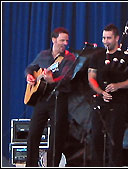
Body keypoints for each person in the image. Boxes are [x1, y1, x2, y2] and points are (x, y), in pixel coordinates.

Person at [88, 24, 128, 166]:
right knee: (96, 136)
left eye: (109, 38)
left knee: (115, 139)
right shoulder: (96, 56)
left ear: (117, 38)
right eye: (104, 38)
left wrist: (118, 86)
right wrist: (101, 92)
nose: (105, 41)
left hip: (119, 103)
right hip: (100, 102)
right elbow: (91, 77)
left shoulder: (126, 57)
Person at [25, 27, 76, 166]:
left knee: (56, 138)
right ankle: (31, 164)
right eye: (62, 40)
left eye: (66, 41)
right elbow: (31, 67)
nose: (65, 43)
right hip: (42, 98)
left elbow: (67, 77)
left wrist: (52, 81)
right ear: (53, 40)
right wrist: (30, 76)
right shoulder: (43, 55)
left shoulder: (69, 58)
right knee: (33, 134)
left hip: (59, 99)